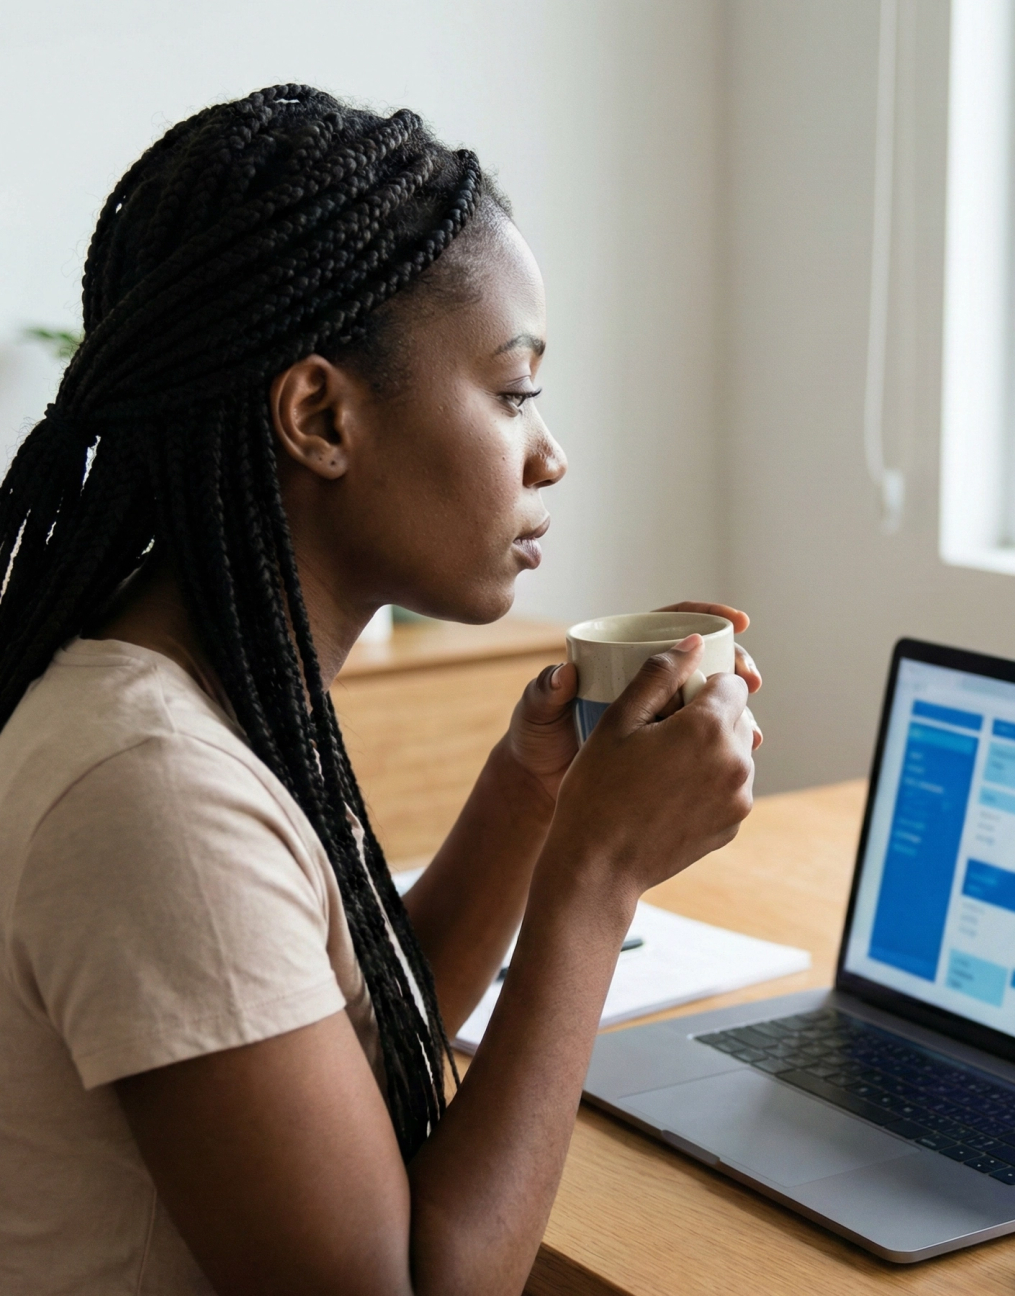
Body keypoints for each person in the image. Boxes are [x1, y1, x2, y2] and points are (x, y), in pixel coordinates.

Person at [0, 85, 760, 1295]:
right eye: (514, 393)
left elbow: (350, 1038)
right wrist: (596, 882)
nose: (549, 452)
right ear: (319, 416)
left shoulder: (195, 694)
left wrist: (532, 798)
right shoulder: (153, 797)